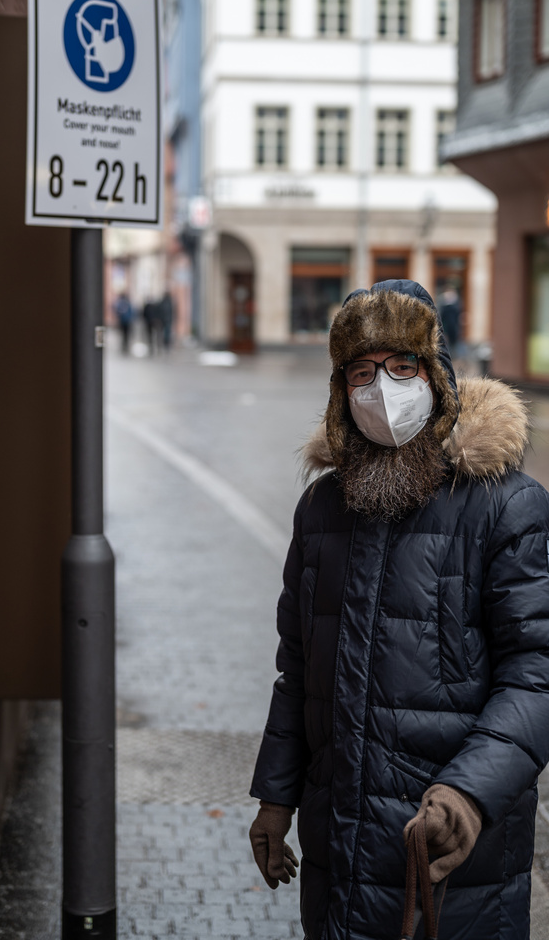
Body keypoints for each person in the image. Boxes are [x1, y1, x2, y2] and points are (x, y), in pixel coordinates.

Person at [248, 279, 549, 940]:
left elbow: (536, 672)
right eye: (361, 372)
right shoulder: (321, 510)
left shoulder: (502, 504)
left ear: (435, 377)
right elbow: (296, 669)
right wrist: (276, 795)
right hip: (339, 851)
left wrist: (468, 793)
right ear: (340, 391)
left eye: (400, 367)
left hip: (452, 859)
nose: (380, 389)